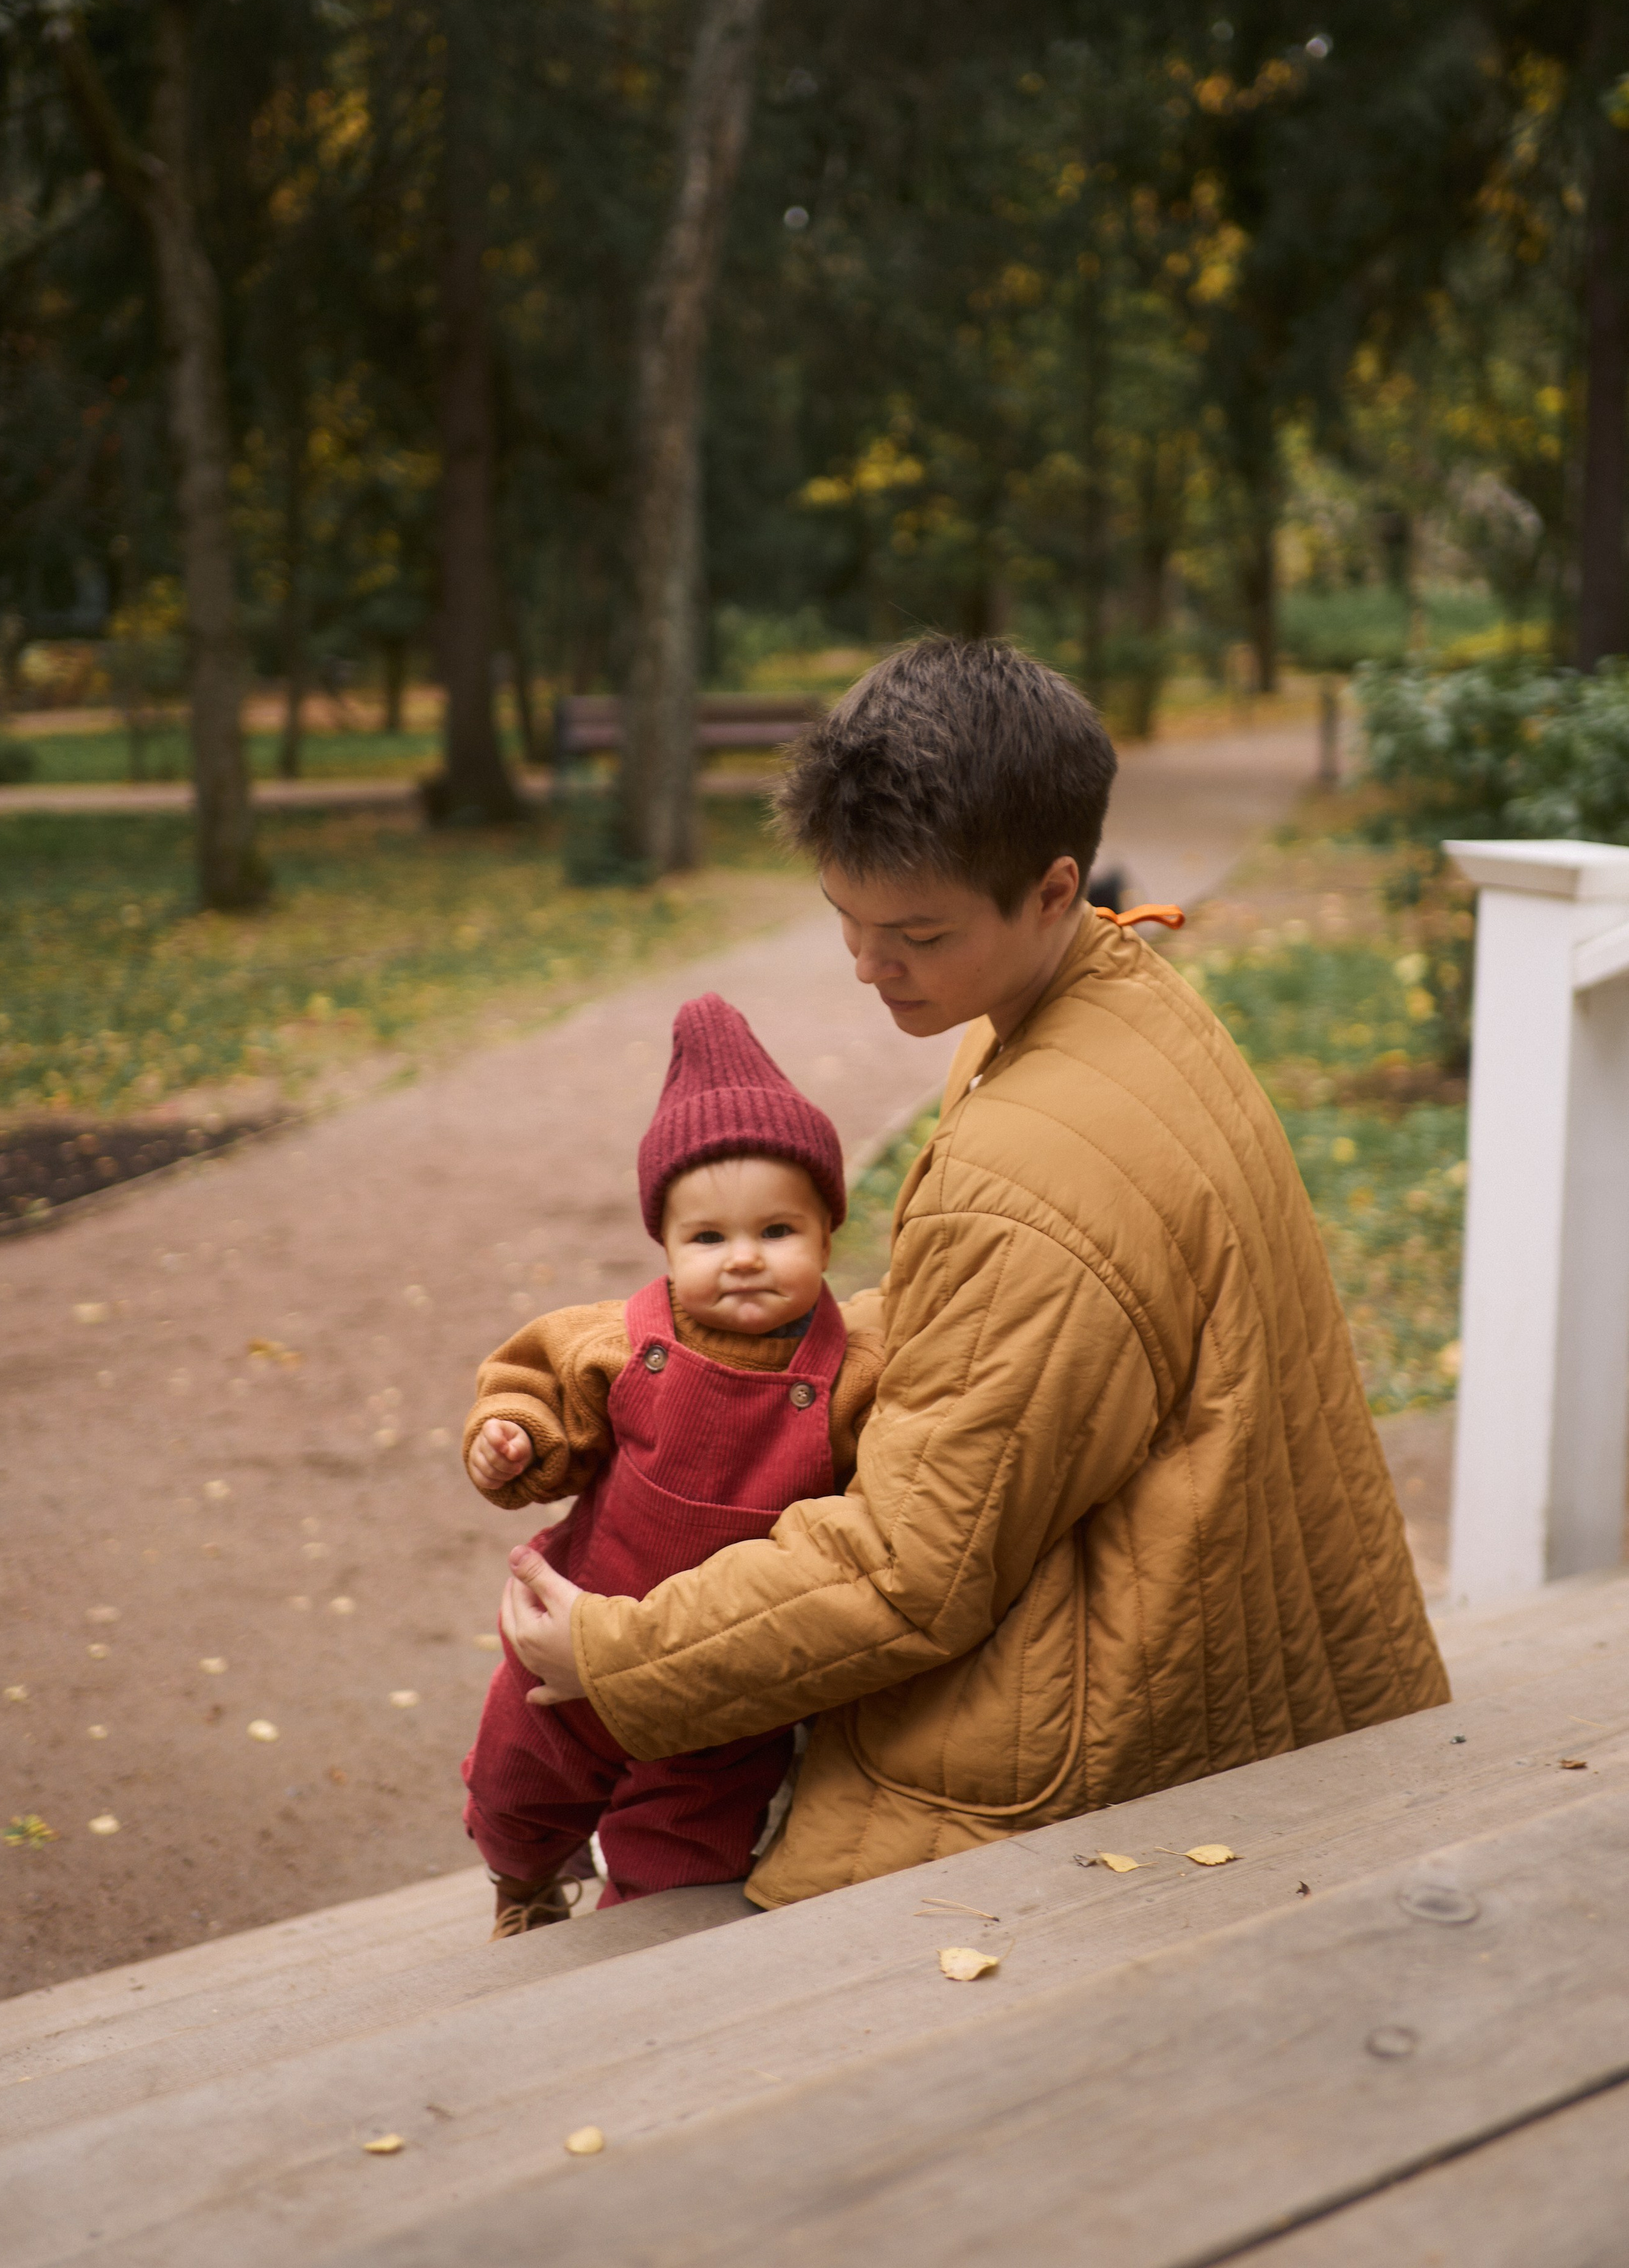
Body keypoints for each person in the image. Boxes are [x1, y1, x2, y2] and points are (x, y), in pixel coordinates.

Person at [502, 637, 1450, 1911]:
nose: (866, 963)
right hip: (1254, 1664)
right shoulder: (1106, 998)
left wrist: (621, 1653)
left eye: (916, 932)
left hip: (1117, 1758)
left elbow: (912, 1570)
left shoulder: (1039, 1172)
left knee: (672, 1893)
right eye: (845, 919)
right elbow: (986, 1334)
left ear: (1053, 887)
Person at [460, 993, 883, 1935]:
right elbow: (535, 1390)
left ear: (826, 1234)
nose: (742, 1259)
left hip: (726, 1685)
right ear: (664, 1240)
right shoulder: (618, 1342)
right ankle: (524, 1887)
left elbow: (883, 1505)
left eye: (777, 1232)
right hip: (569, 1649)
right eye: (708, 1238)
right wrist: (513, 1440)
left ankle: (646, 1973)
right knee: (515, 1790)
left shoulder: (851, 1377)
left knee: (686, 1857)